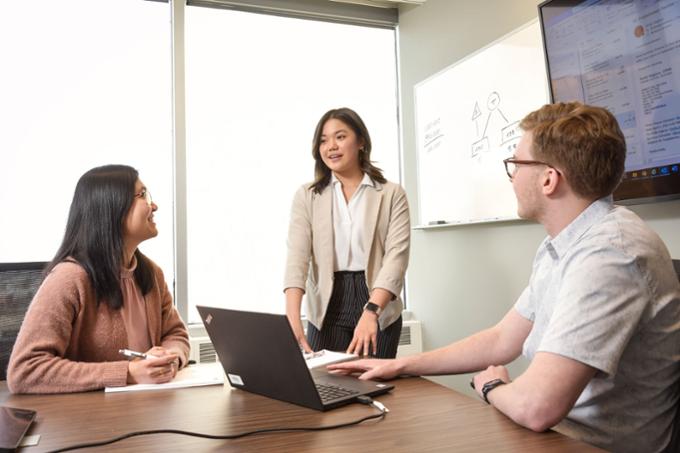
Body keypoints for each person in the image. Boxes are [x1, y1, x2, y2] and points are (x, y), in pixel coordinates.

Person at [330, 102, 680, 453]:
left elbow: (536, 406)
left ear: (548, 178)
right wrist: (401, 364)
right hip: (552, 436)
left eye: (516, 164)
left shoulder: (610, 255)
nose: (512, 177)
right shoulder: (562, 245)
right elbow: (502, 340)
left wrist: (491, 387)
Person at [7, 165, 189, 394]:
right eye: (143, 195)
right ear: (112, 208)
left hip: (145, 410)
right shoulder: (69, 279)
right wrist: (129, 373)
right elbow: (25, 370)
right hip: (88, 420)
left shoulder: (151, 273)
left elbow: (175, 334)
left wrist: (170, 357)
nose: (154, 205)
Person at [284, 107, 410, 358]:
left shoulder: (391, 194)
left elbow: (396, 258)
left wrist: (372, 310)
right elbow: (297, 258)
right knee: (325, 387)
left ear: (361, 141)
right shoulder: (307, 196)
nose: (331, 146)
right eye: (323, 140)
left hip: (378, 299)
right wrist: (292, 317)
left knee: (373, 384)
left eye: (340, 137)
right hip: (327, 303)